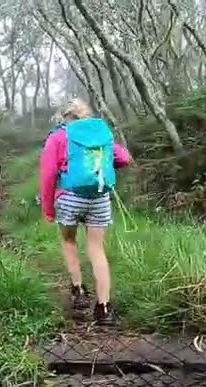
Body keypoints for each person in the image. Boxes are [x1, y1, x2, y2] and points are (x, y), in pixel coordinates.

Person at [39, 99, 131, 325]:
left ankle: (79, 292)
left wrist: (48, 208)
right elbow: (124, 158)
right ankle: (104, 308)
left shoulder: (59, 136)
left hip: (70, 197)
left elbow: (49, 174)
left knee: (69, 241)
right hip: (99, 197)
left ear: (64, 117)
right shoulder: (100, 133)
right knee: (97, 249)